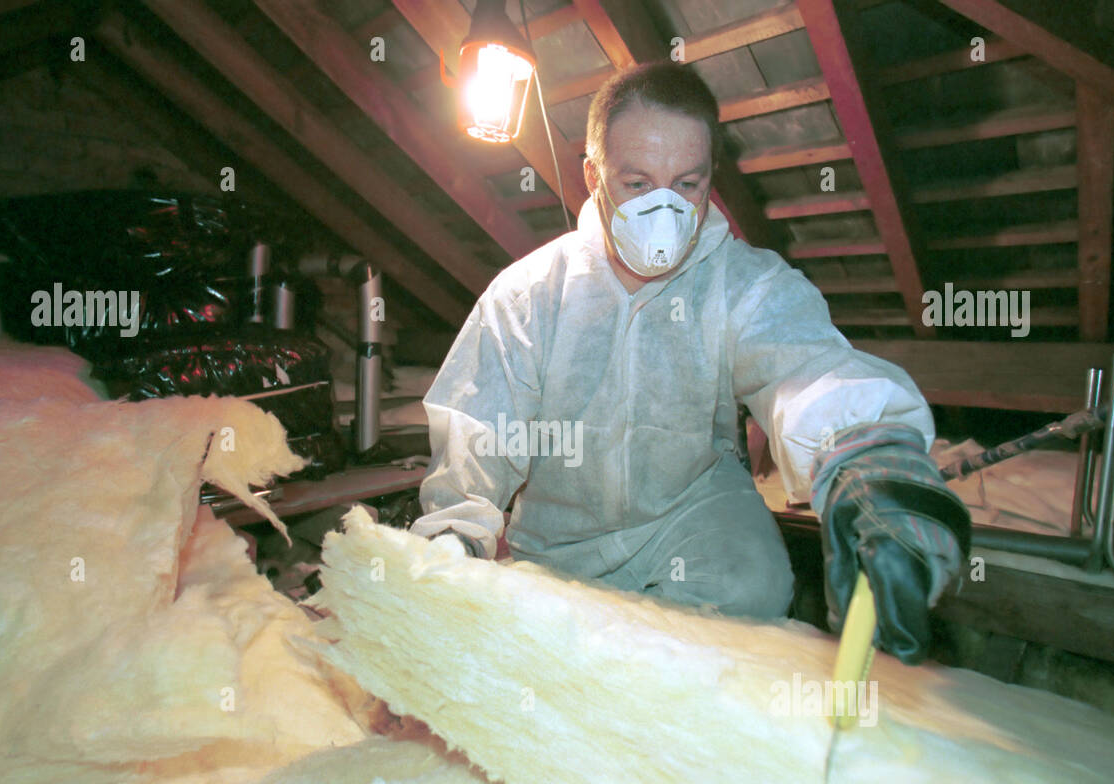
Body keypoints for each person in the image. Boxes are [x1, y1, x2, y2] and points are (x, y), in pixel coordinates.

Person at [410, 62, 969, 663]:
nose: (663, 210)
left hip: (688, 515)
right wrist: (454, 544)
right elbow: (479, 431)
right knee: (549, 656)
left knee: (753, 586)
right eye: (636, 183)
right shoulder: (531, 295)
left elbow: (804, 367)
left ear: (710, 180)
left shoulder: (740, 285)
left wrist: (870, 458)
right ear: (593, 175)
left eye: (686, 185)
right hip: (560, 539)